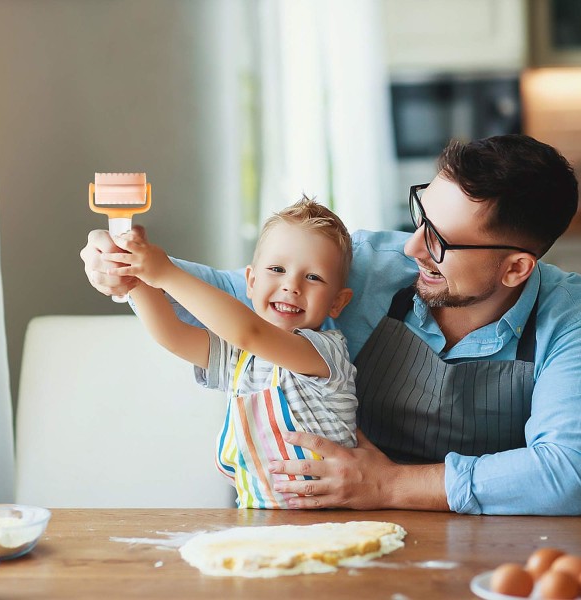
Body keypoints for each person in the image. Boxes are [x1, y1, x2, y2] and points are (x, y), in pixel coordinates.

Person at [81, 134, 581, 515]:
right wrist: (126, 265)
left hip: (484, 544)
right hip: (325, 520)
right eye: (419, 218)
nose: (411, 249)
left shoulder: (569, 319)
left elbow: (566, 472)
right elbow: (221, 304)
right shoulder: (361, 263)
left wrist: (388, 484)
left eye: (440, 242)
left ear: (516, 268)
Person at [101, 197, 358, 509]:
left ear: (337, 302)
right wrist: (134, 278)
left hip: (332, 523)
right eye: (277, 269)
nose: (291, 285)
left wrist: (165, 273)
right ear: (250, 282)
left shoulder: (325, 352)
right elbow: (172, 334)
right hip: (257, 517)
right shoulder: (241, 359)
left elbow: (250, 332)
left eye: (313, 277)